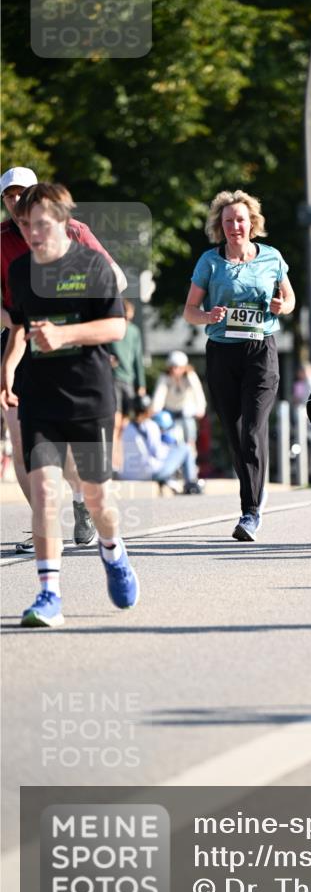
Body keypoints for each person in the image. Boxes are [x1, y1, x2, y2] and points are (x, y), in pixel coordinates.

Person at [0, 183, 138, 628]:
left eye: (42, 224)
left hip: (88, 394)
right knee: (43, 493)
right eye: (26, 224)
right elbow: (20, 326)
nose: (33, 233)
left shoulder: (91, 263)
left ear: (63, 222)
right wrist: (8, 366)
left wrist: (64, 335)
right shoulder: (20, 271)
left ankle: (114, 552)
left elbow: (116, 326)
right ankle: (49, 595)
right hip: (38, 393)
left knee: (97, 496)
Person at [183, 189, 295, 541]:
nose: (235, 226)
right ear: (221, 225)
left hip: (261, 350)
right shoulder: (209, 262)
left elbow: (289, 299)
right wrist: (207, 315)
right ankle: (252, 497)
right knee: (233, 433)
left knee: (252, 431)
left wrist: (282, 306)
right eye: (229, 220)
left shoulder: (272, 257)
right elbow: (189, 311)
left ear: (253, 223)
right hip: (221, 352)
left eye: (241, 219)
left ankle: (250, 512)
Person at [120, 396, 203, 493]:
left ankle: (168, 481)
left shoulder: (127, 428)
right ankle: (191, 484)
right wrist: (170, 448)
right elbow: (158, 453)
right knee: (186, 448)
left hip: (129, 474)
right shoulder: (150, 425)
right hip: (149, 473)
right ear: (148, 410)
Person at [110, 298, 146, 473]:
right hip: (114, 378)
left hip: (129, 380)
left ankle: (120, 462)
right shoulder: (111, 329)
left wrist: (141, 384)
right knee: (115, 423)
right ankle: (113, 462)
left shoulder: (134, 332)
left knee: (124, 425)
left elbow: (138, 358)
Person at [151, 350, 206, 452]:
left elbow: (198, 392)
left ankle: (191, 452)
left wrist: (200, 409)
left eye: (178, 367)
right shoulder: (165, 377)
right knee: (164, 428)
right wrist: (155, 409)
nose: (175, 370)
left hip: (185, 410)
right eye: (172, 367)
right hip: (170, 410)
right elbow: (159, 394)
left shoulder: (190, 376)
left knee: (189, 427)